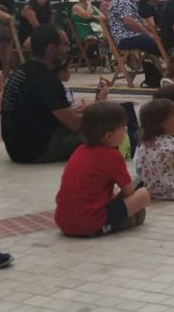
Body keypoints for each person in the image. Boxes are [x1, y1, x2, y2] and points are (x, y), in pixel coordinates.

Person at [2, 25, 118, 163]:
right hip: (35, 149)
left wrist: (85, 110)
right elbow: (75, 123)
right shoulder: (45, 80)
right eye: (65, 45)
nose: (68, 49)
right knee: (109, 134)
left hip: (17, 146)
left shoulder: (23, 70)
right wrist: (100, 105)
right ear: (51, 48)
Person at [54, 101, 150, 238]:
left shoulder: (79, 150)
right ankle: (112, 224)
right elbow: (128, 191)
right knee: (143, 195)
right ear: (109, 136)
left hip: (63, 222)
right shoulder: (112, 156)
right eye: (123, 128)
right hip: (89, 224)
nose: (125, 132)